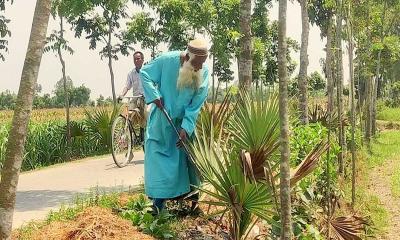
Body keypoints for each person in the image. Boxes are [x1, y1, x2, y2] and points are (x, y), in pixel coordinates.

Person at [140, 38, 209, 213]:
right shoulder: (166, 60)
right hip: (162, 121)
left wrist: (186, 127)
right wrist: (154, 95)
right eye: (197, 64)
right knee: (158, 159)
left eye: (202, 64)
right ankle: (157, 205)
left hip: (185, 123)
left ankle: (194, 203)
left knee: (189, 162)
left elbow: (196, 104)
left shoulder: (204, 71)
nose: (200, 68)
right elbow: (145, 74)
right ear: (187, 58)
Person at [118, 51, 146, 139]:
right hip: (135, 98)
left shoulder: (147, 71)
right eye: (135, 59)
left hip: (145, 98)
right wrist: (121, 95)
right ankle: (128, 138)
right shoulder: (131, 73)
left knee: (146, 117)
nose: (136, 60)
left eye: (138, 59)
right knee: (127, 116)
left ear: (142, 60)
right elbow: (127, 86)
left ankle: (145, 134)